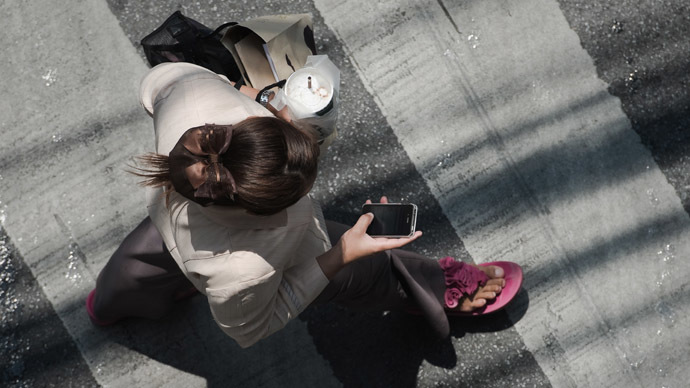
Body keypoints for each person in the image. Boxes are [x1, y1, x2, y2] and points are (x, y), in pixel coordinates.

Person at [87, 62, 516, 348]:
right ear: (259, 210)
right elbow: (249, 328)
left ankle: (109, 303)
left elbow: (158, 81)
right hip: (240, 261)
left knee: (142, 262)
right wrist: (343, 253)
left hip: (172, 219)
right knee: (362, 274)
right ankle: (424, 289)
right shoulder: (245, 269)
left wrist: (250, 96)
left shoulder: (191, 101)